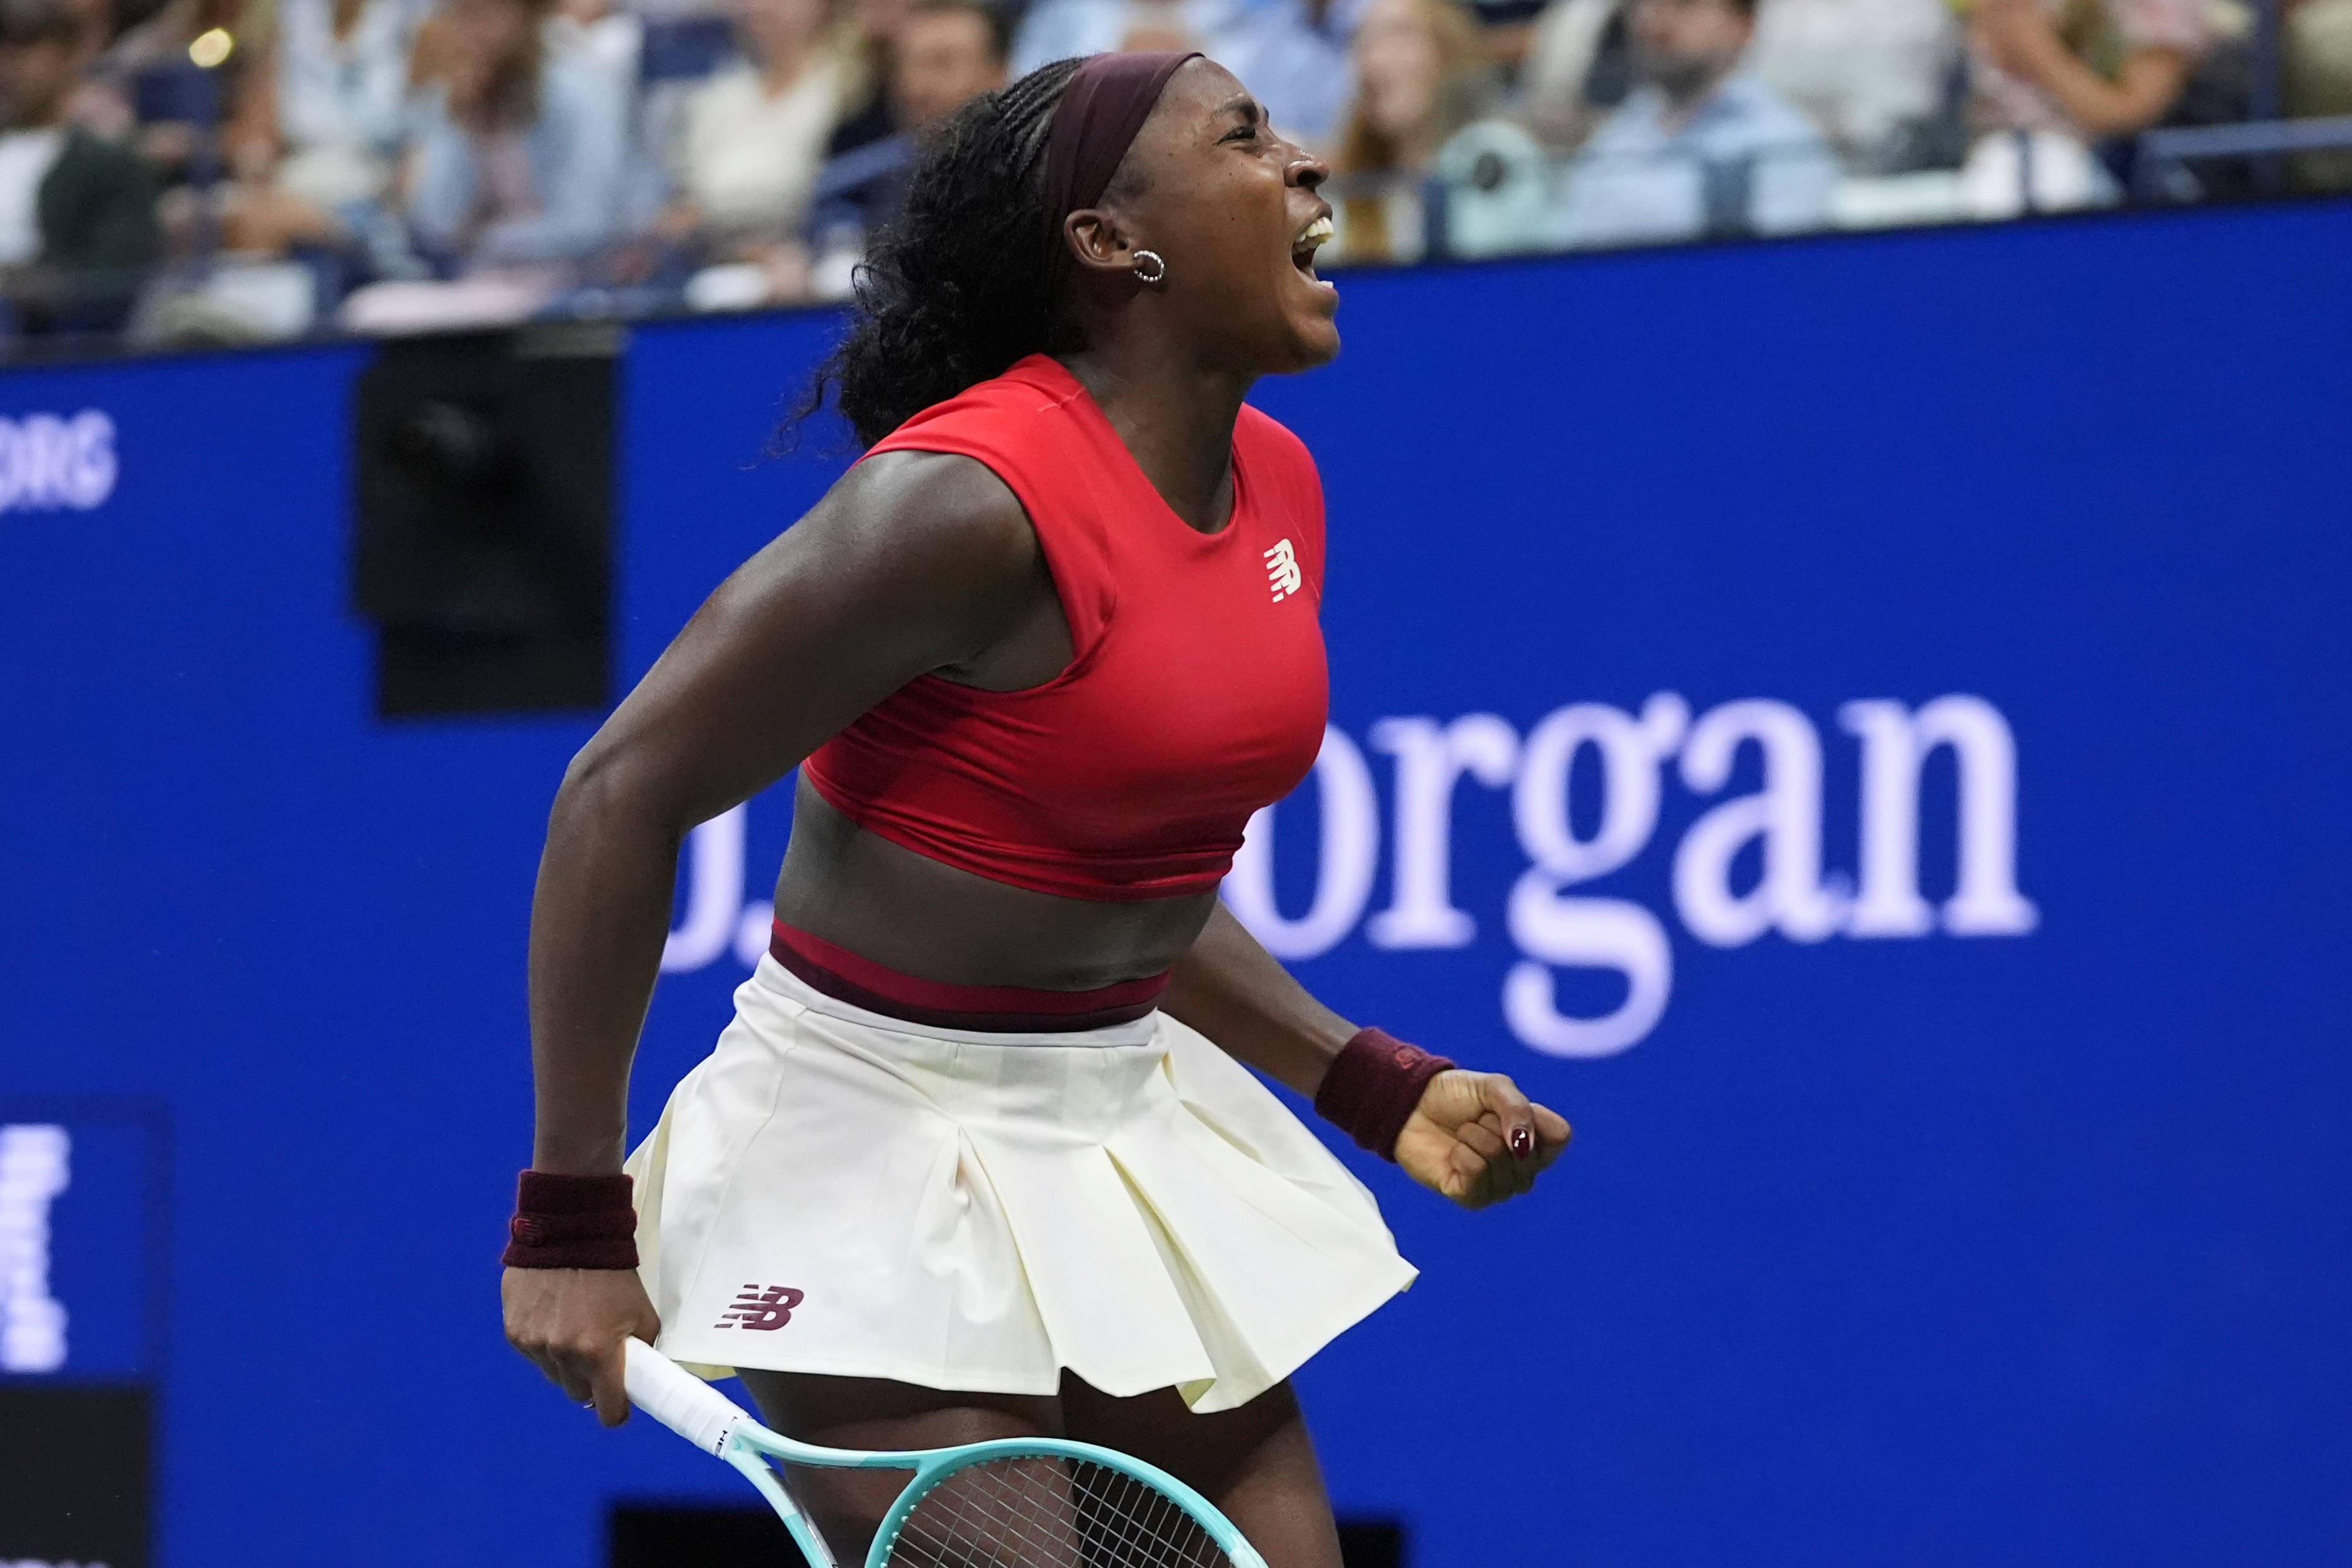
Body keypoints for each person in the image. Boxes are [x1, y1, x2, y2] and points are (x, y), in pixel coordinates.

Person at [501, 49, 1571, 1567]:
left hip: (1114, 1111)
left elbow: (1108, 871)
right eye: (1245, 138)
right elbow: (617, 794)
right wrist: (568, 1217)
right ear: (1107, 241)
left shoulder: (1276, 483)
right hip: (864, 1147)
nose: (1306, 167)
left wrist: (1365, 1081)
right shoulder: (959, 503)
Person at [1549, 0, 1837, 247]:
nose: (1657, 20)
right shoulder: (1619, 133)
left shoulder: (1781, 142)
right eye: (1644, 3)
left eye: (1684, 4)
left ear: (1743, 26)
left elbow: (1781, 278)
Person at [398, 0, 631, 273]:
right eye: (457, 15)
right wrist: (458, 124)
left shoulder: (580, 89)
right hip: (490, 279)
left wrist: (483, 240)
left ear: (527, 15)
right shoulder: (462, 93)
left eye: (481, 13)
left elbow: (589, 223)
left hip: (580, 279)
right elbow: (436, 225)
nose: (467, 31)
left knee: (379, 311)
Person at [0, 0, 157, 332]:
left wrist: (24, 286)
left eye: (23, 48)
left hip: (44, 347)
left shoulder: (109, 167)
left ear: (68, 55)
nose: (5, 67)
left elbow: (112, 282)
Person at [805, 0, 1009, 238]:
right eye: (906, 65)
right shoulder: (866, 177)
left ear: (999, 73)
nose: (916, 87)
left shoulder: (1032, 179)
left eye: (942, 63)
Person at [1326, 0, 1504, 260]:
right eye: (1363, 42)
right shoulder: (1348, 188)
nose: (1371, 63)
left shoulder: (1494, 162)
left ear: (1451, 52)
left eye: (1400, 36)